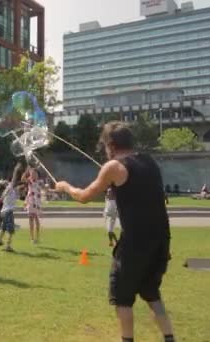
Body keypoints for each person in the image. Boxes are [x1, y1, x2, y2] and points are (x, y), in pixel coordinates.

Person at [55, 122, 175, 342]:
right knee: (151, 292)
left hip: (136, 244)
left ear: (111, 144)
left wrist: (65, 187)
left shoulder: (113, 166)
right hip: (161, 241)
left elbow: (83, 196)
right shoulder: (149, 161)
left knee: (123, 297)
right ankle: (169, 338)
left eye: (105, 146)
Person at [0, 163, 23, 252]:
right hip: (8, 212)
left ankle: (0, 240)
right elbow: (14, 179)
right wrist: (16, 169)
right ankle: (8, 246)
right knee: (10, 230)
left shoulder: (13, 189)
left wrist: (2, 197)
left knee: (3, 228)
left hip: (3, 212)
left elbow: (15, 195)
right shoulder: (11, 187)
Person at [24, 168, 42, 244]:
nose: (34, 175)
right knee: (31, 219)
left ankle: (37, 237)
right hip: (31, 202)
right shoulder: (29, 181)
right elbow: (22, 179)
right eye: (32, 173)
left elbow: (46, 189)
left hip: (37, 203)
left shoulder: (40, 182)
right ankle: (32, 238)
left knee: (37, 220)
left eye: (35, 173)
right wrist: (26, 171)